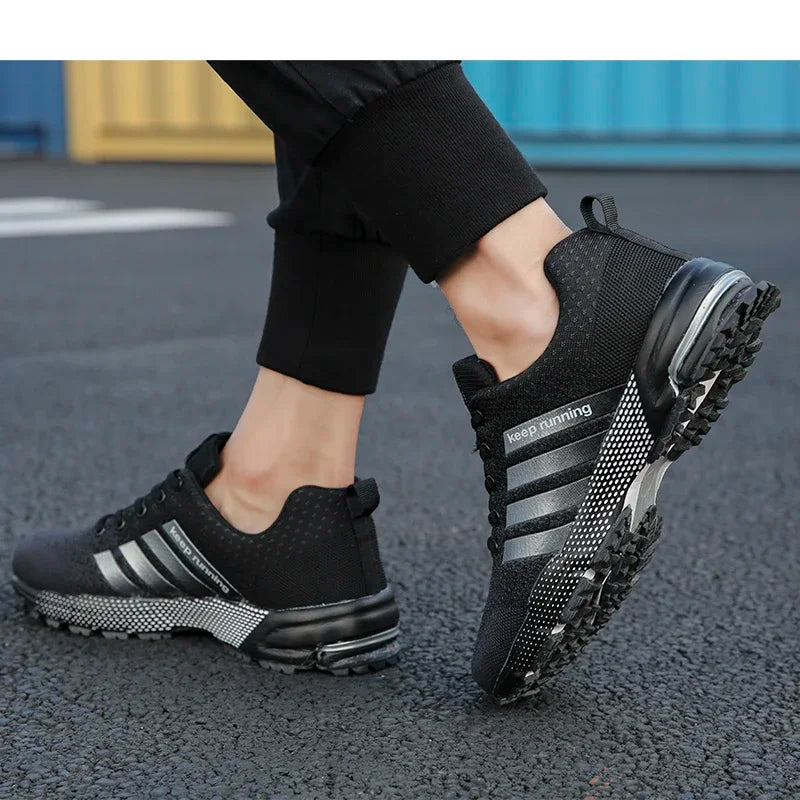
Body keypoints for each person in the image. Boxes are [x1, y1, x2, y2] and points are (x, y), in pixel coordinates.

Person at [11, 61, 780, 703]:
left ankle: (540, 306)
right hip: (293, 511)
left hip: (573, 320)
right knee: (322, 128)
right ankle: (281, 487)